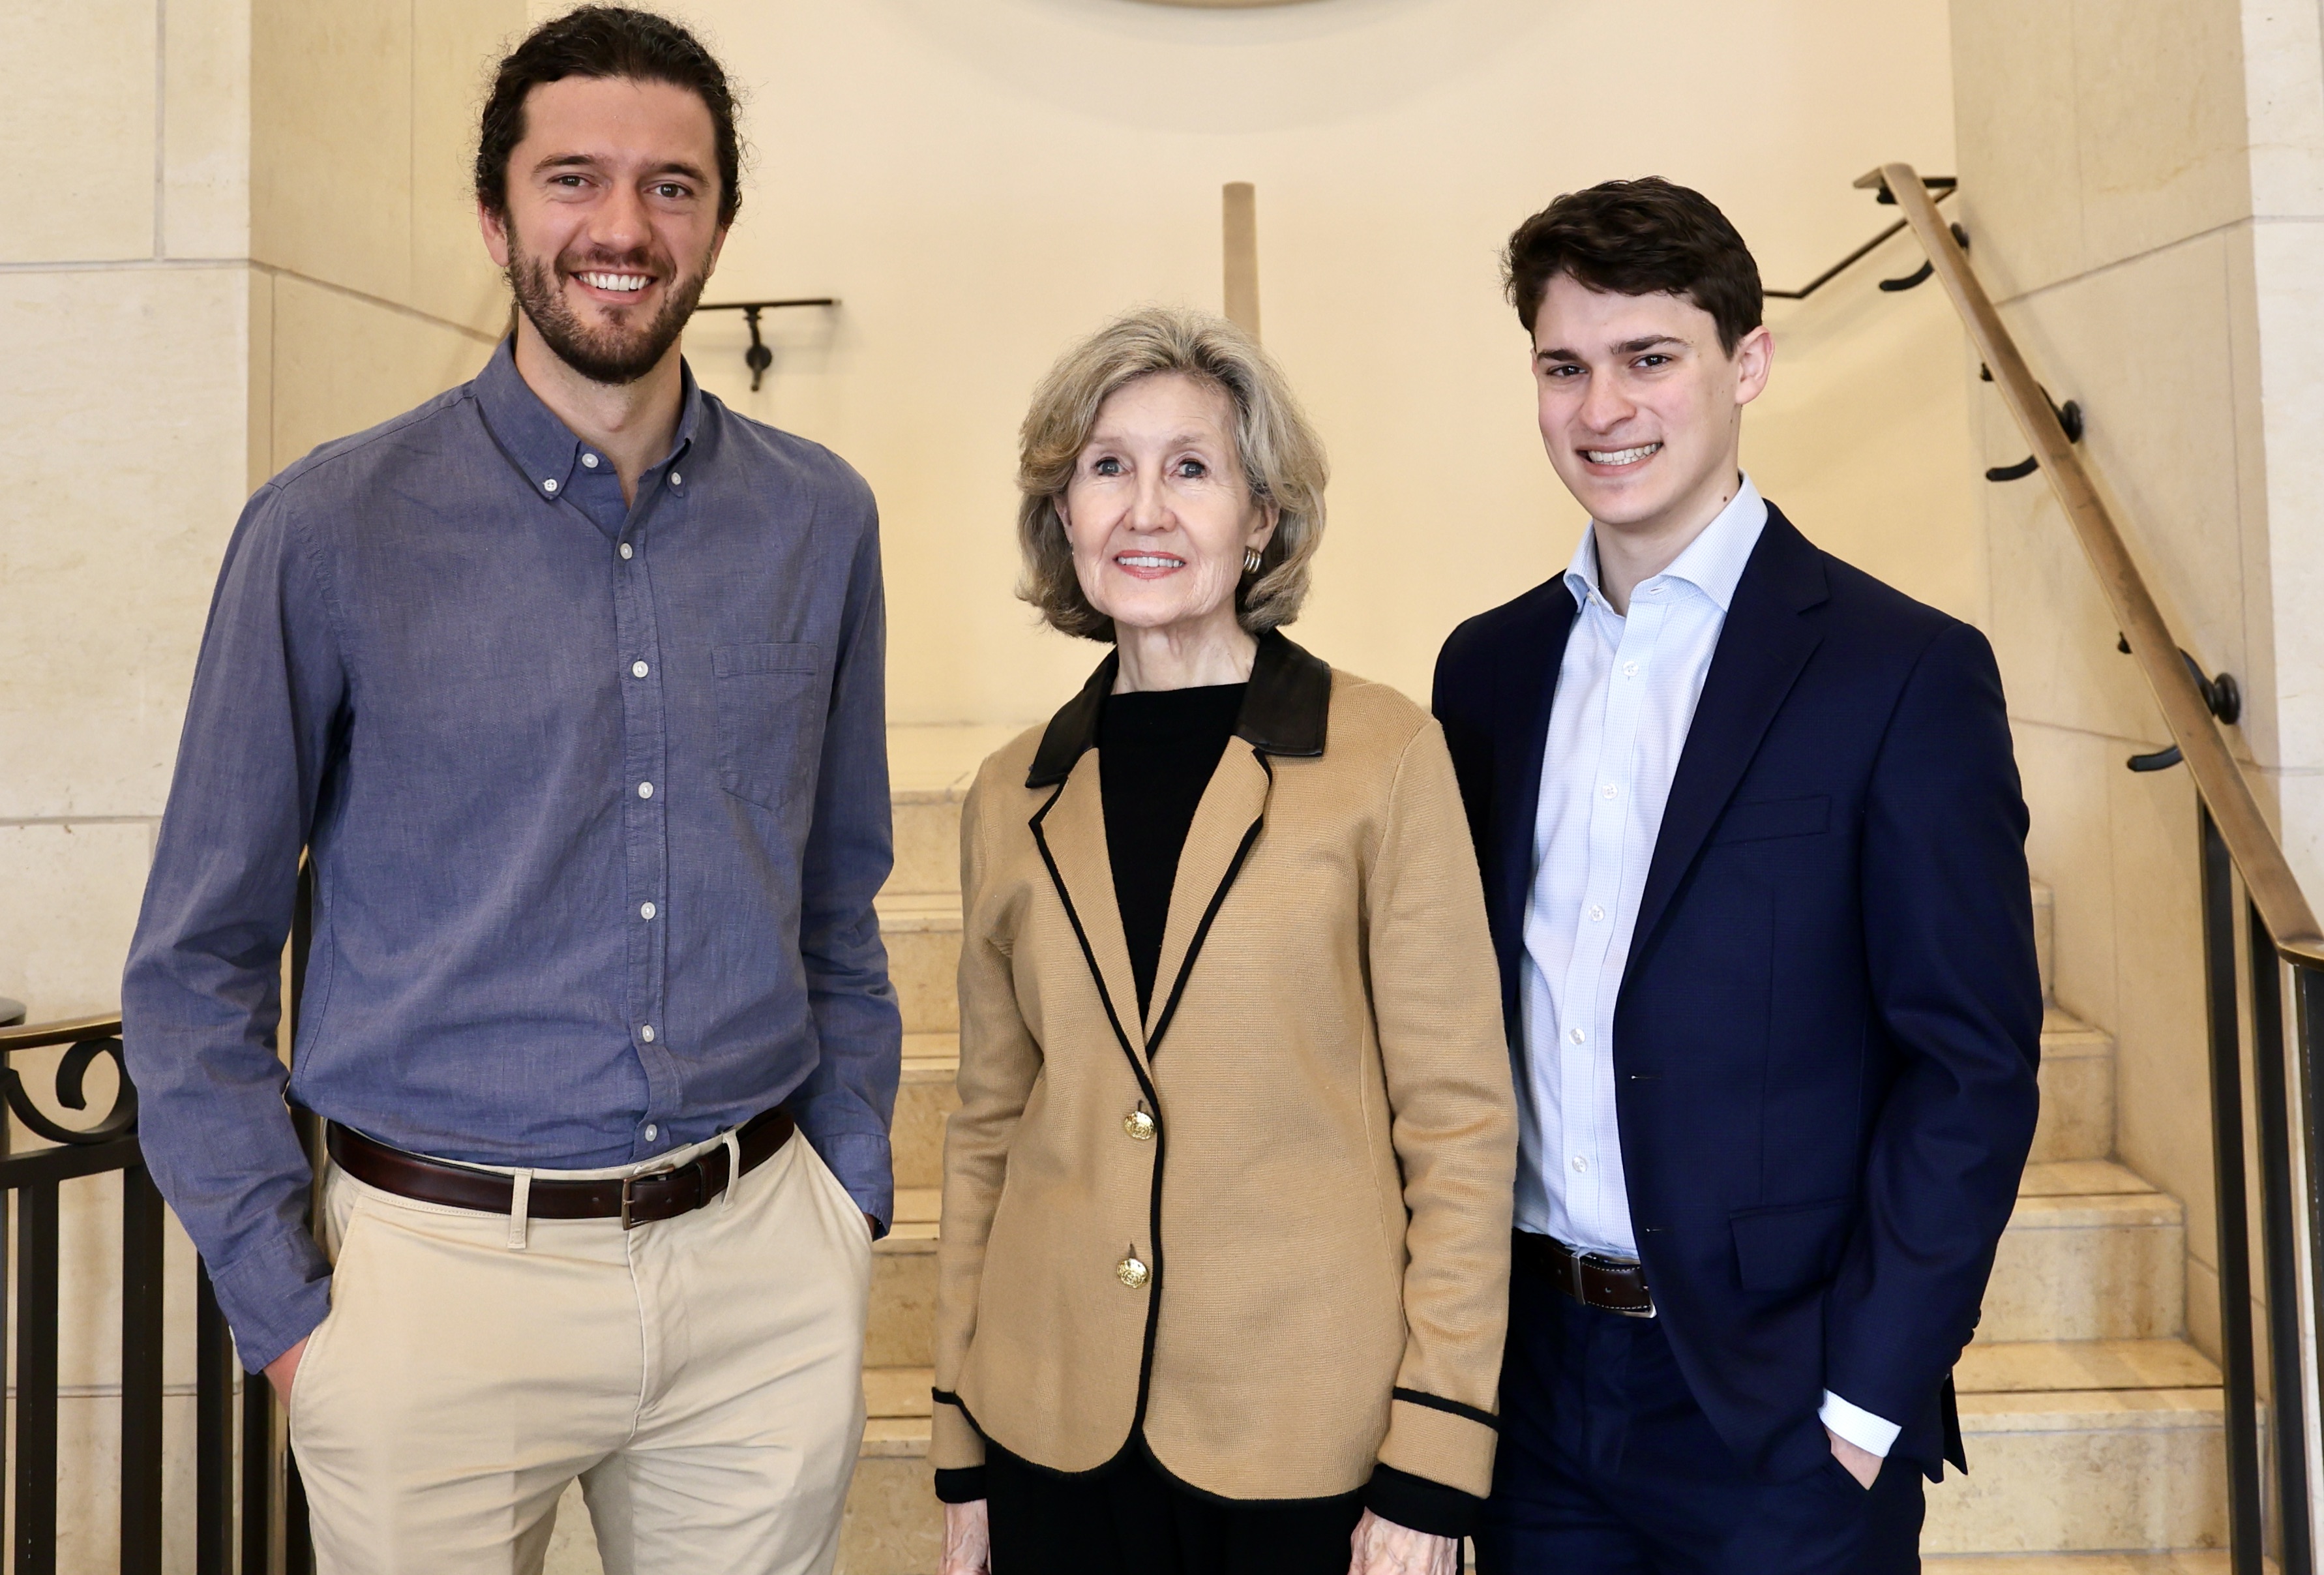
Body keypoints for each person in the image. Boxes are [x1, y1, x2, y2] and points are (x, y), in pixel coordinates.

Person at [121, 9, 898, 1570]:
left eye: (672, 187)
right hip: (434, 1292)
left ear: (722, 221)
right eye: (573, 180)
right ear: (495, 217)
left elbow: (839, 894)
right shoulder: (330, 527)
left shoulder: (820, 519)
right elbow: (193, 964)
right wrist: (293, 1318)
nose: (622, 227)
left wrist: (846, 1194)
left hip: (759, 1271)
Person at [1433, 178, 2042, 1572]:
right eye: (1565, 366)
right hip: (1536, 1396)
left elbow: (1971, 1063)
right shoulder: (1488, 668)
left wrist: (1869, 1390)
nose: (1605, 410)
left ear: (1745, 363)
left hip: (1780, 1408)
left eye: (1651, 358)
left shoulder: (1902, 671)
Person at [929, 307, 1518, 1575]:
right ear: (1063, 513)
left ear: (1260, 517)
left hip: (1308, 1437)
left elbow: (1461, 1123)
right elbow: (988, 1126)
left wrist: (1438, 1448)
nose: (1147, 508)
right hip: (1049, 1421)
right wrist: (961, 1438)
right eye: (1107, 466)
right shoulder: (1005, 791)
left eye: (1191, 467)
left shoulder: (1383, 758)